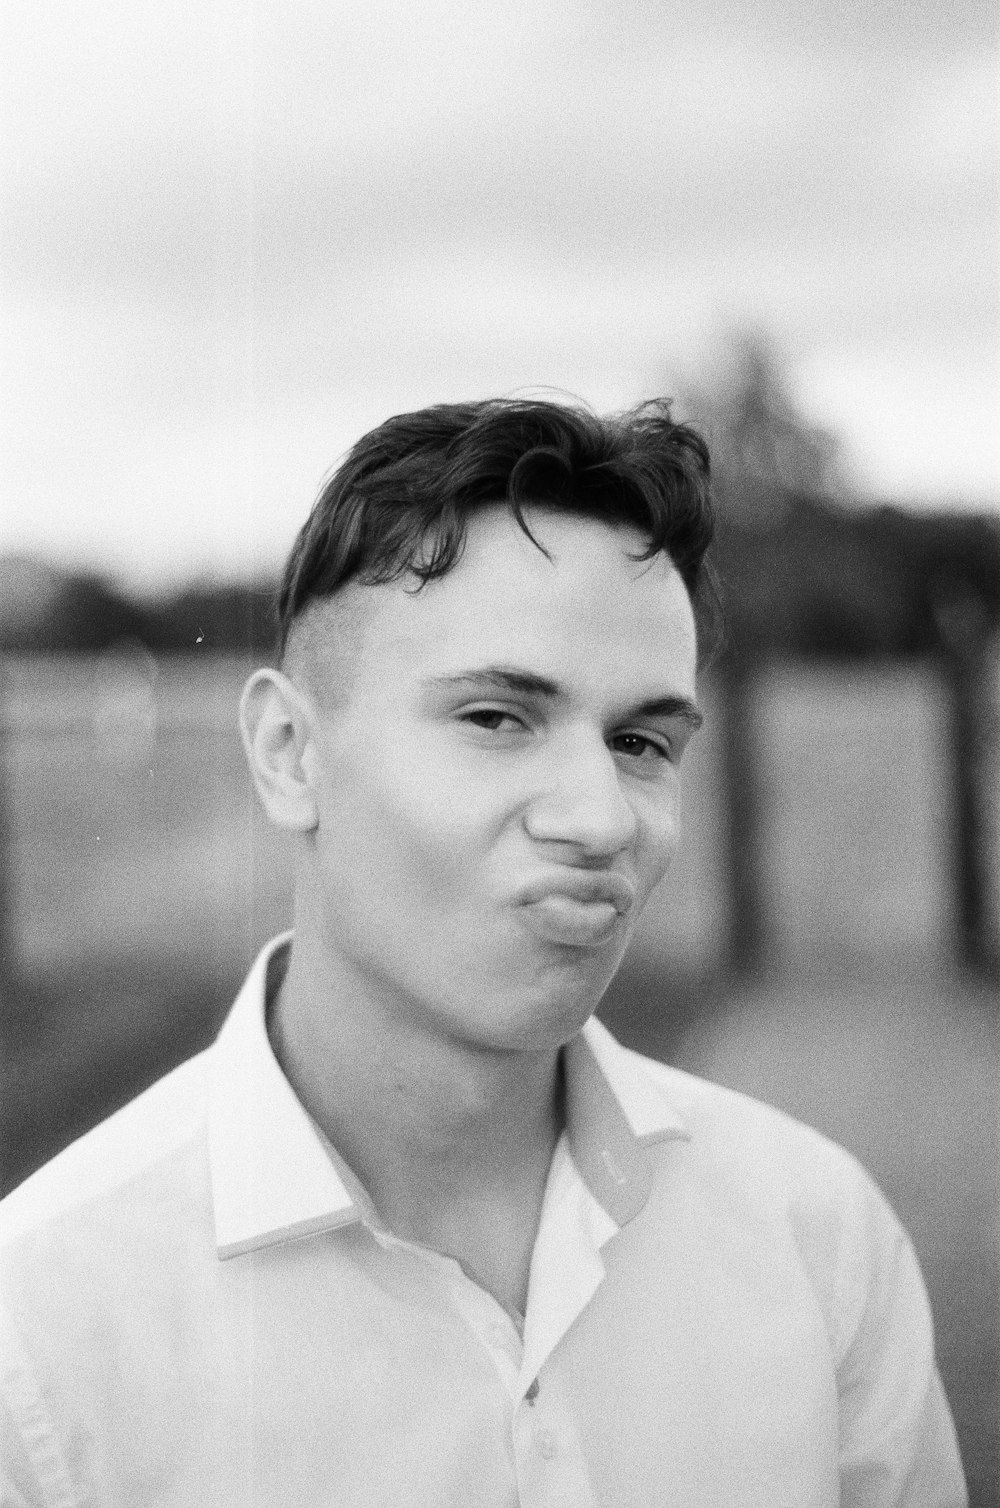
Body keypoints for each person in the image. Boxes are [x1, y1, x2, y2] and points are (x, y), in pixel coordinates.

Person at [0, 397, 965, 1507]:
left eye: (641, 740)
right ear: (287, 752)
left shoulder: (819, 1240)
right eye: (498, 717)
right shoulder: (42, 1335)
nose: (600, 818)